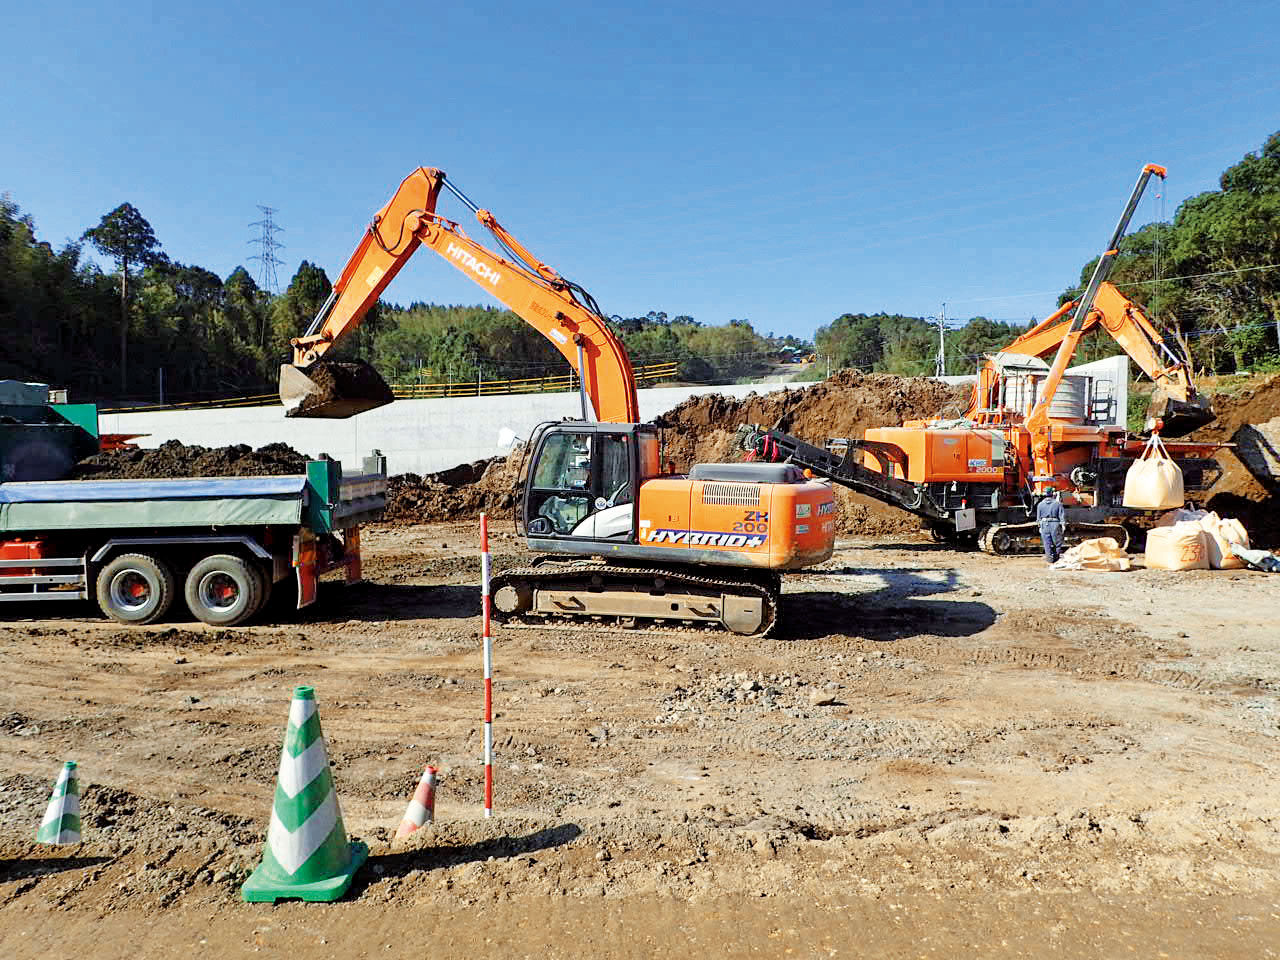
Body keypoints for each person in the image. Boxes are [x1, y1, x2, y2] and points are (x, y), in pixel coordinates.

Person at [1036, 488, 1066, 565]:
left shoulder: (1040, 504)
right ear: (1052, 494)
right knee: (1057, 543)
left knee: (1047, 543)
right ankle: (1056, 559)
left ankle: (1049, 560)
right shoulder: (1057, 504)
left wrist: (1039, 526)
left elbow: (1038, 518)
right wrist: (1063, 524)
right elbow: (1061, 515)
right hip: (1055, 524)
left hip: (1044, 524)